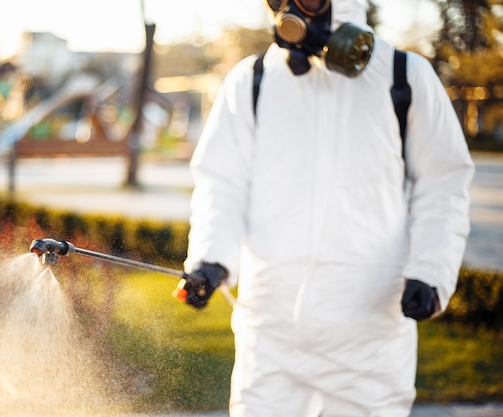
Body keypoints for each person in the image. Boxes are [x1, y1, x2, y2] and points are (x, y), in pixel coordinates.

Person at [176, 0, 475, 416]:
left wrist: (431, 271)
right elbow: (221, 181)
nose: (291, 8)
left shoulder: (402, 76)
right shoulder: (252, 80)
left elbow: (443, 182)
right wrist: (211, 259)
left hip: (368, 334)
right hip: (270, 334)